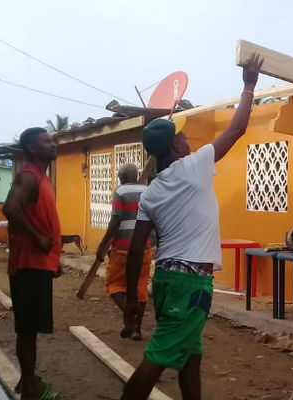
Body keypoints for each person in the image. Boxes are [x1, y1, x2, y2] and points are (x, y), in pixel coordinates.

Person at [119, 53, 263, 400]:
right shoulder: (194, 166)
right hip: (191, 282)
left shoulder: (150, 192)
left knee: (190, 357)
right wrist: (248, 85)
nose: (186, 141)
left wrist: (136, 299)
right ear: (174, 146)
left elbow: (136, 248)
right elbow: (237, 128)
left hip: (167, 279)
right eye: (180, 137)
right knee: (156, 359)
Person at [3, 127, 65, 400]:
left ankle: (28, 380)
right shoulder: (28, 176)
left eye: (52, 140)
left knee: (31, 327)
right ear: (31, 148)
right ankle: (29, 386)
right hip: (27, 264)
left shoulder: (43, 178)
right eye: (46, 141)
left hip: (40, 263)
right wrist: (37, 238)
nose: (53, 145)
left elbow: (42, 220)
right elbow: (10, 208)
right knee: (27, 329)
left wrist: (53, 257)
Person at [96, 159, 155, 340]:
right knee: (140, 288)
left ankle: (130, 318)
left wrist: (103, 244)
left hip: (122, 249)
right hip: (143, 249)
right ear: (136, 176)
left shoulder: (120, 191)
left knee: (114, 285)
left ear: (121, 177)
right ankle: (137, 330)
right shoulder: (147, 191)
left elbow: (115, 219)